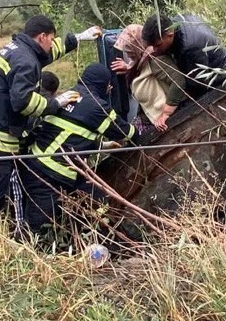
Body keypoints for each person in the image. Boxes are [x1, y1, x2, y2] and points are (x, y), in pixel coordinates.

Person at [0, 15, 99, 216]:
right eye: (52, 39)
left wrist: (78, 38)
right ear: (42, 37)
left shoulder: (18, 48)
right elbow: (23, 102)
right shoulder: (26, 61)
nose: (53, 43)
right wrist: (56, 103)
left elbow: (47, 54)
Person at [18, 63, 137, 241]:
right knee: (37, 225)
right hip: (48, 173)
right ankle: (29, 255)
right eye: (109, 85)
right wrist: (142, 132)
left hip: (44, 165)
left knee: (96, 197)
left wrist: (104, 145)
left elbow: (72, 136)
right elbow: (126, 133)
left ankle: (92, 237)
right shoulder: (97, 106)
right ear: (103, 84)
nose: (110, 88)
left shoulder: (70, 94)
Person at [125, 13, 226, 131]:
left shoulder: (189, 48)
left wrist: (166, 113)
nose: (155, 50)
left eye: (158, 45)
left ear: (169, 35)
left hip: (219, 79)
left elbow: (191, 83)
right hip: (212, 60)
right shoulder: (175, 22)